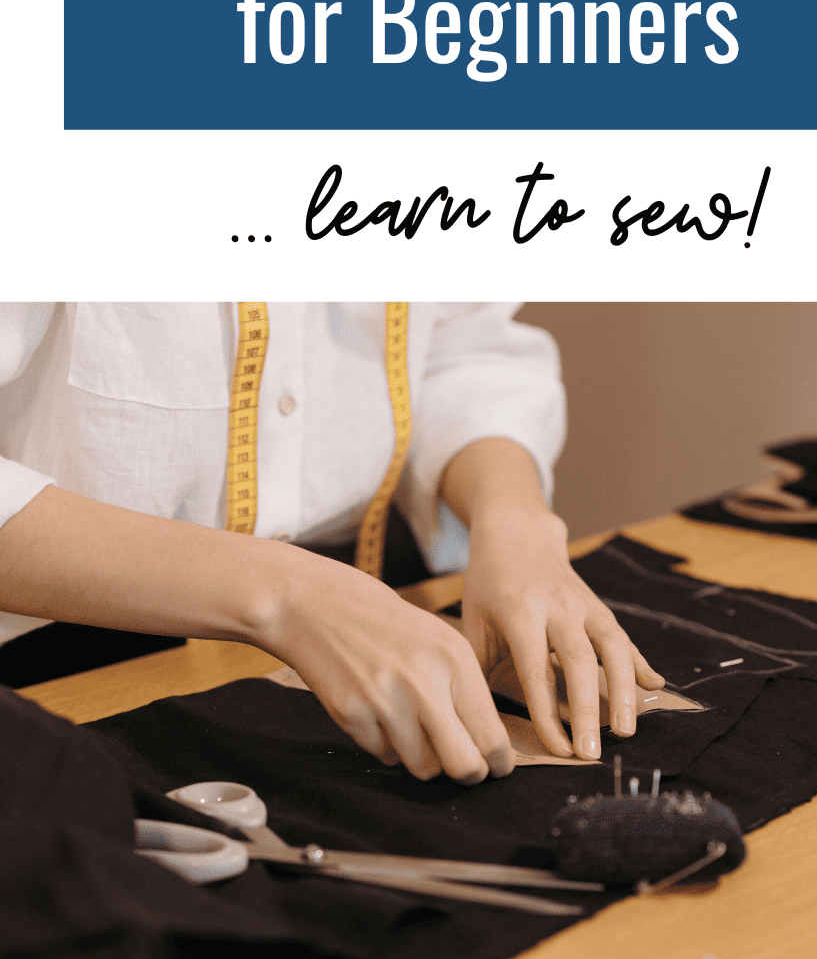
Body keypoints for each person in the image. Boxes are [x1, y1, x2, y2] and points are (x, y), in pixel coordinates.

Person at [0, 303, 663, 785]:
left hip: (366, 609)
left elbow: (458, 348)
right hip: (57, 661)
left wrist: (513, 518)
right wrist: (287, 595)